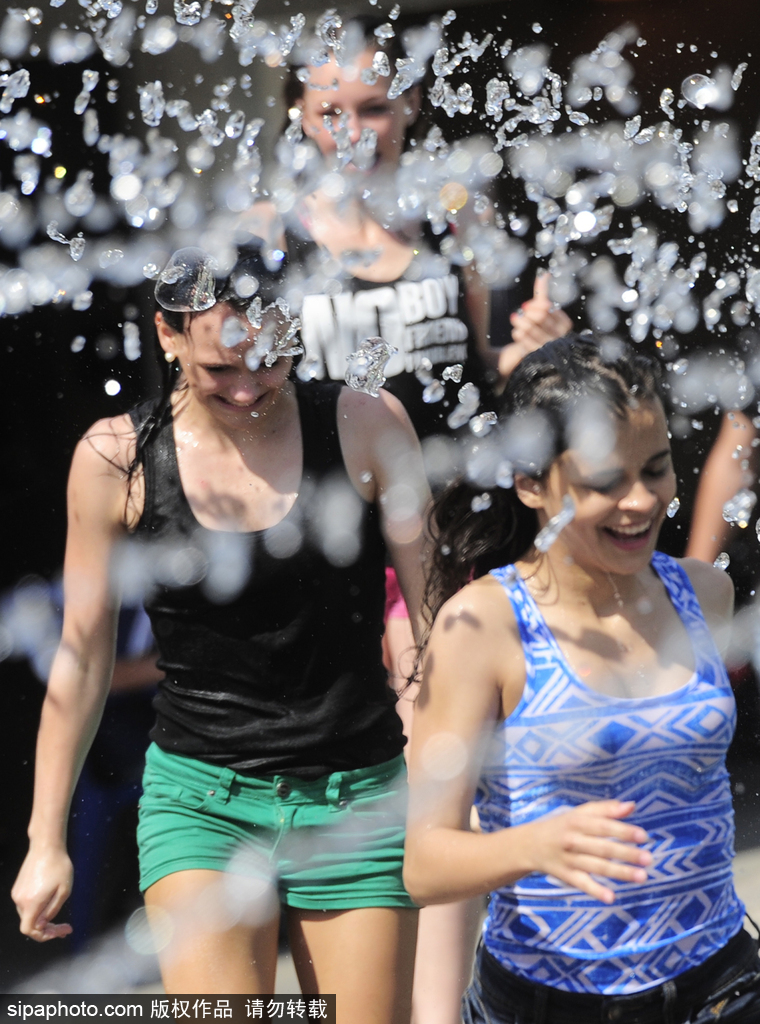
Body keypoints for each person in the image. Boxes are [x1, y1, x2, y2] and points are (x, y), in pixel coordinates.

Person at [246, 21, 572, 1020]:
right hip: (344, 553)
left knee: (455, 782)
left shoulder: (453, 219)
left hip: (463, 542)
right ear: (298, 117)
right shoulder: (270, 234)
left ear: (410, 109)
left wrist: (536, 356)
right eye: (329, 111)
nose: (353, 131)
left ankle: (437, 1005)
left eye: (373, 107)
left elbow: (496, 378)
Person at [12, 246, 427, 1023]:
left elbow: (434, 619)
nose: (247, 389)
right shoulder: (117, 459)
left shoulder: (367, 425)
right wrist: (45, 840)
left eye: (269, 363)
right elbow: (82, 656)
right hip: (200, 801)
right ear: (168, 338)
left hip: (357, 792)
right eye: (219, 370)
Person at [404, 333, 760, 1024]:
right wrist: (532, 846)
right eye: (606, 482)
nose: (641, 501)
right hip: (553, 1001)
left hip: (722, 984)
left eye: (656, 470)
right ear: (532, 482)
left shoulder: (704, 594)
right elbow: (424, 863)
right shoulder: (482, 626)